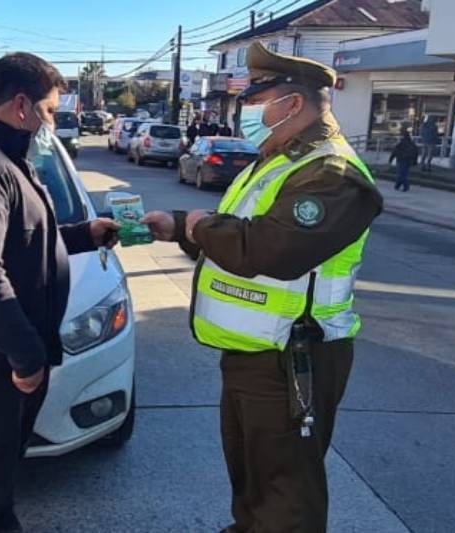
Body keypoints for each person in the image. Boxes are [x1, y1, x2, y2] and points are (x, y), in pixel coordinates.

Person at [143, 42, 382, 533]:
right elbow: (234, 234)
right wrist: (181, 224)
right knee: (252, 480)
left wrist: (197, 227)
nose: (247, 112)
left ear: (291, 104)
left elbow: (271, 249)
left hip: (294, 356)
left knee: (285, 492)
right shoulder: (276, 159)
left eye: (255, 101)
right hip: (254, 355)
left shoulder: (330, 173)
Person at [0, 52, 119, 533]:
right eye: (49, 110)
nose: (51, 122)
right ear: (20, 105)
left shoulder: (2, 155)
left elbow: (24, 239)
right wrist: (26, 358)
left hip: (3, 356)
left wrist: (84, 234)